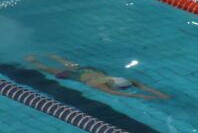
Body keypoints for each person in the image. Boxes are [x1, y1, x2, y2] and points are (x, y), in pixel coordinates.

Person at [25, 54, 171, 99]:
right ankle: (33, 61)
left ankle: (56, 57)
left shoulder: (124, 81)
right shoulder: (101, 85)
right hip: (78, 76)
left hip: (91, 70)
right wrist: (143, 95)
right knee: (51, 70)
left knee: (71, 65)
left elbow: (142, 87)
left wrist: (157, 93)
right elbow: (117, 93)